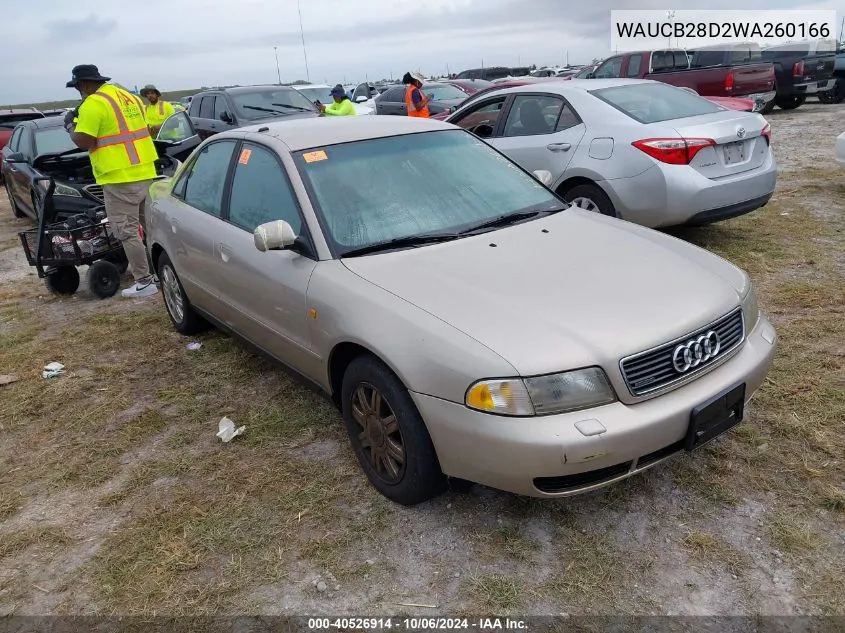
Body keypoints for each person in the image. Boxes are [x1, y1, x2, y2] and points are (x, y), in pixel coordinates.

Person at [64, 65, 159, 298]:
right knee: (151, 226)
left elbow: (84, 141)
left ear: (84, 84)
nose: (79, 93)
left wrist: (70, 125)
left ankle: (145, 281)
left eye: (78, 88)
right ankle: (161, 272)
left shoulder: (93, 104)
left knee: (127, 231)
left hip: (119, 176)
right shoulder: (129, 97)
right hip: (145, 170)